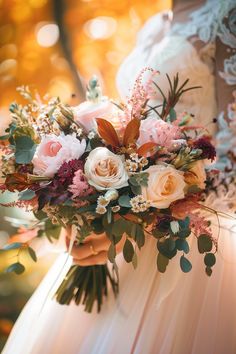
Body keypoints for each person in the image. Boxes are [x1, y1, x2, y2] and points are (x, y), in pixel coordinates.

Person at [3, 0, 236, 353]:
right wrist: (84, 207)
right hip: (119, 252)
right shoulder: (156, 23)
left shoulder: (226, 15)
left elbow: (231, 168)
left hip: (186, 255)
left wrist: (144, 221)